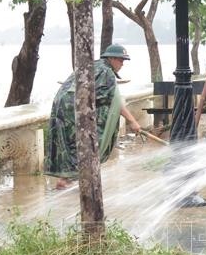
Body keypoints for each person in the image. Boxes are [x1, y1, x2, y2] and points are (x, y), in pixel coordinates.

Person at [47, 44, 141, 189]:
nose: (122, 64)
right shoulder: (107, 73)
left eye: (124, 61)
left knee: (68, 142)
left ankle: (67, 179)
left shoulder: (93, 65)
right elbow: (116, 103)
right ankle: (69, 181)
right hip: (74, 106)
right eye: (120, 60)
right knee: (87, 140)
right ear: (111, 58)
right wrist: (133, 122)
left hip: (60, 104)